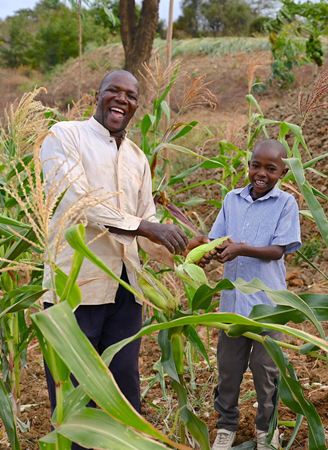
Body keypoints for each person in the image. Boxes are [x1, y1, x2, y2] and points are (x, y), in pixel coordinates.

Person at [40, 70, 206, 450]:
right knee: (75, 396)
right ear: (96, 95)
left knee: (123, 387)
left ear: (136, 106)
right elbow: (75, 201)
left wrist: (185, 247)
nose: (122, 99)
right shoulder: (64, 136)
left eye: (130, 95)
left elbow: (145, 231)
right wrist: (147, 227)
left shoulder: (137, 158)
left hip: (126, 290)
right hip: (75, 289)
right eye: (113, 91)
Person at [207, 139, 301, 450]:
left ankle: (266, 429)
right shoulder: (231, 200)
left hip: (268, 307)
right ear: (248, 166)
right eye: (255, 166)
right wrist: (208, 250)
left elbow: (277, 251)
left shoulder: (286, 204)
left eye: (270, 169)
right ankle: (226, 425)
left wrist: (240, 248)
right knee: (228, 371)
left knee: (266, 372)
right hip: (232, 305)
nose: (261, 173)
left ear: (283, 172)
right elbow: (217, 239)